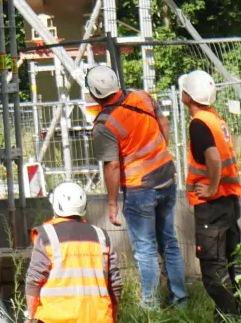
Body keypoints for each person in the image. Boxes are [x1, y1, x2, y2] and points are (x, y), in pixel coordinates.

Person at [86, 64, 188, 310]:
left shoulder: (104, 124)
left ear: (95, 92)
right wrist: (161, 152)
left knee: (145, 249)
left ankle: (151, 305)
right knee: (169, 242)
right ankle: (181, 300)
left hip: (140, 189)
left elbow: (111, 166)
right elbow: (163, 124)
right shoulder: (142, 96)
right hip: (166, 176)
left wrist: (112, 204)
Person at [180, 69, 241, 320]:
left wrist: (211, 187)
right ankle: (236, 312)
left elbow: (213, 158)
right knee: (230, 260)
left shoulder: (199, 124)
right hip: (229, 201)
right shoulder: (215, 119)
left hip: (213, 204)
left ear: (187, 96)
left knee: (213, 266)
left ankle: (228, 316)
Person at [24, 180, 123, 323]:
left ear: (55, 204)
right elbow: (115, 284)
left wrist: (31, 317)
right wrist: (112, 317)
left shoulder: (47, 236)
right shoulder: (101, 236)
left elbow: (33, 280)